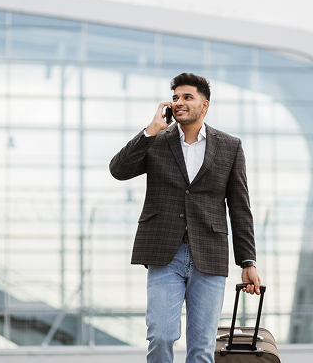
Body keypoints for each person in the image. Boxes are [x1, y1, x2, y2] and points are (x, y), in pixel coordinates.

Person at [109, 73, 261, 363]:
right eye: (175, 97)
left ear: (204, 105)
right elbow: (119, 170)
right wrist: (150, 130)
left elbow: (240, 207)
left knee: (201, 347)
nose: (179, 102)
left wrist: (248, 262)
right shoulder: (156, 141)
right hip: (165, 252)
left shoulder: (230, 146)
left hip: (210, 253)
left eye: (187, 97)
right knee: (161, 335)